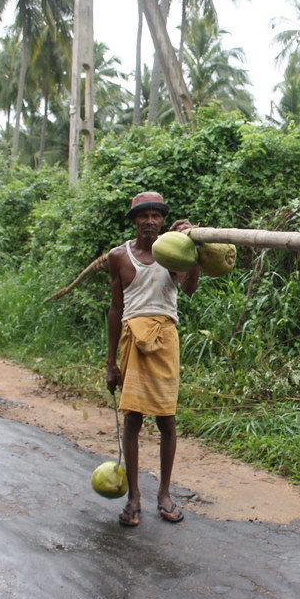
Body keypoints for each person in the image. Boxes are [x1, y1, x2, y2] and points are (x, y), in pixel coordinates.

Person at [105, 191, 199, 527]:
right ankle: (134, 498)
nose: (149, 222)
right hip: (133, 339)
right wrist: (110, 362)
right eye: (142, 216)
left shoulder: (175, 252)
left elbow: (188, 290)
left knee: (167, 420)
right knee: (133, 419)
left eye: (156, 216)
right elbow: (116, 310)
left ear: (162, 220)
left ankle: (164, 494)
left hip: (165, 341)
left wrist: (194, 251)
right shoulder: (119, 256)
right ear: (133, 221)